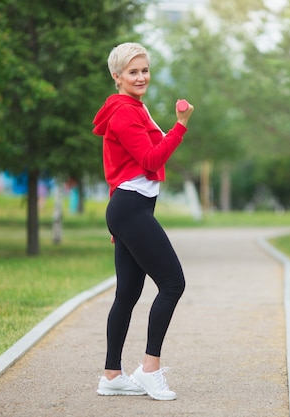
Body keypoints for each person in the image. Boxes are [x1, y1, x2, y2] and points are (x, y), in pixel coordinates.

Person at [91, 42, 194, 401]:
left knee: (129, 293)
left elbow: (117, 169)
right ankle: (149, 370)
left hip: (130, 209)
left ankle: (112, 375)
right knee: (172, 283)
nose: (141, 77)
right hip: (130, 208)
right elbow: (151, 159)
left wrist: (115, 222)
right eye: (133, 72)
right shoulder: (123, 113)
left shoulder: (133, 107)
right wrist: (180, 127)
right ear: (116, 76)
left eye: (144, 70)